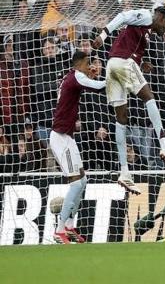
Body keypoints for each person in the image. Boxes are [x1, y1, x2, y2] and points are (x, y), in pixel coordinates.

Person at [92, 5, 165, 194]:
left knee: (121, 119)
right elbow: (123, 15)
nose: (164, 30)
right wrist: (103, 35)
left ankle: (124, 172)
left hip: (113, 65)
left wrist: (140, 63)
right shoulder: (147, 16)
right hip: (123, 62)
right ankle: (164, 146)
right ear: (161, 18)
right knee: (149, 97)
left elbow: (129, 43)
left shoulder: (145, 32)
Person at [50, 51, 106, 244]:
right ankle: (59, 230)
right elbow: (98, 87)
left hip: (67, 137)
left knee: (82, 181)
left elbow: (86, 83)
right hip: (60, 138)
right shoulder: (76, 76)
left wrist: (91, 75)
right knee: (75, 183)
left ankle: (69, 226)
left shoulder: (71, 77)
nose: (89, 66)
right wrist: (115, 77)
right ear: (80, 63)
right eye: (87, 63)